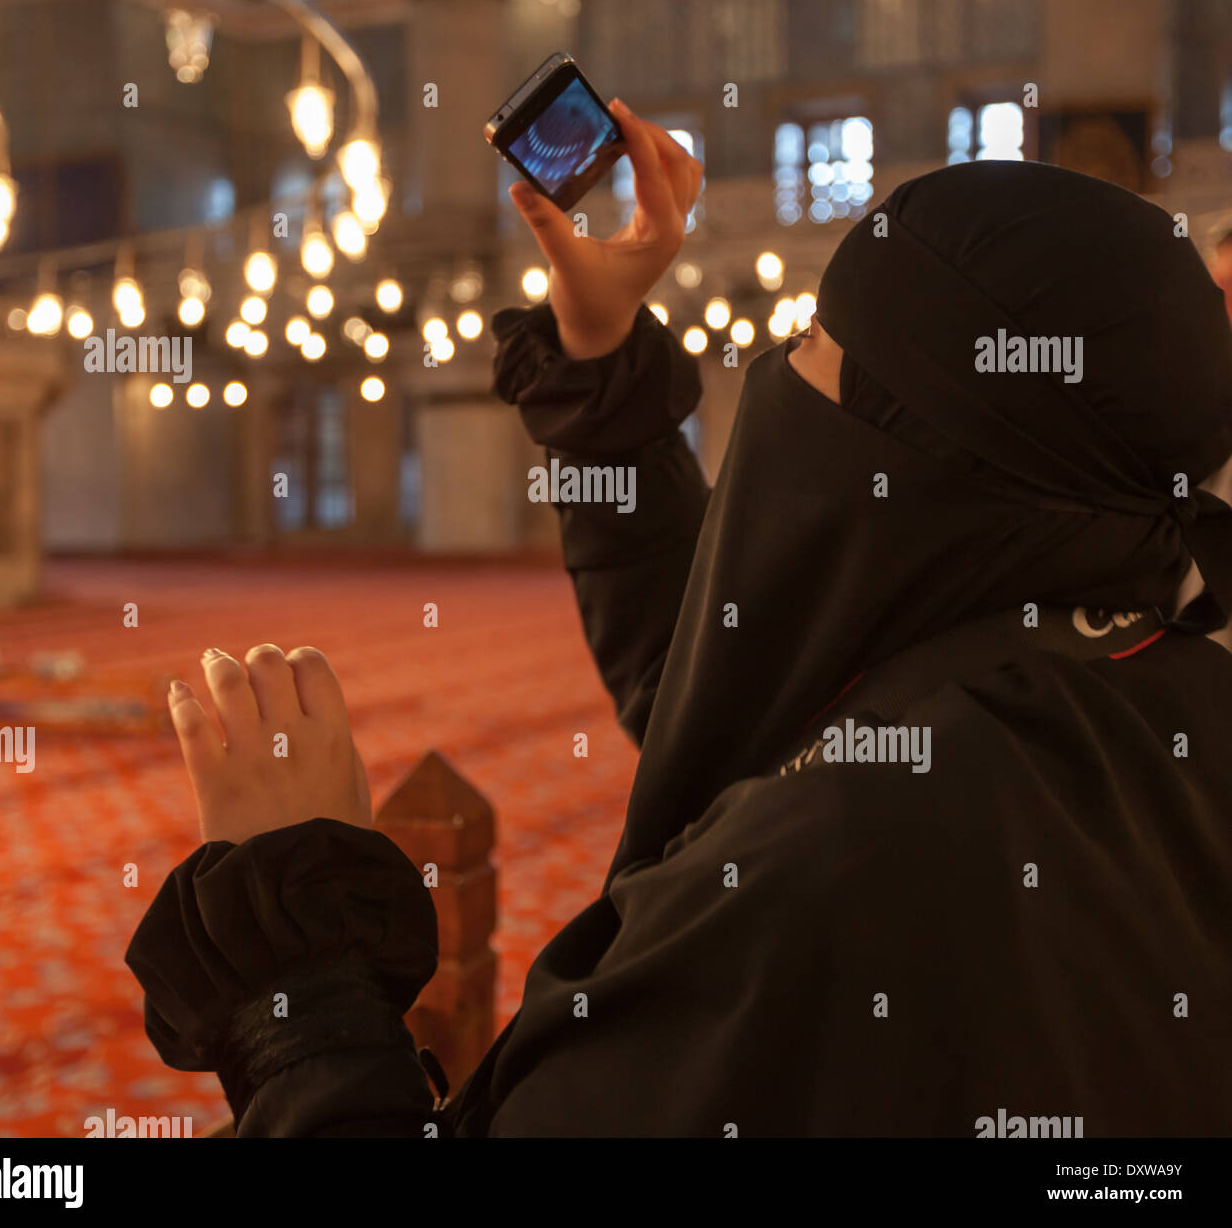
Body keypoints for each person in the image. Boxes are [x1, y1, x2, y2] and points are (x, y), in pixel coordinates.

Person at [125, 103, 1232, 1136]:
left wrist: (301, 987)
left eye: (813, 343)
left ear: (912, 453)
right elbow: (729, 680)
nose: (777, 371)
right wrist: (602, 370)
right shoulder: (1127, 672)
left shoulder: (835, 865)